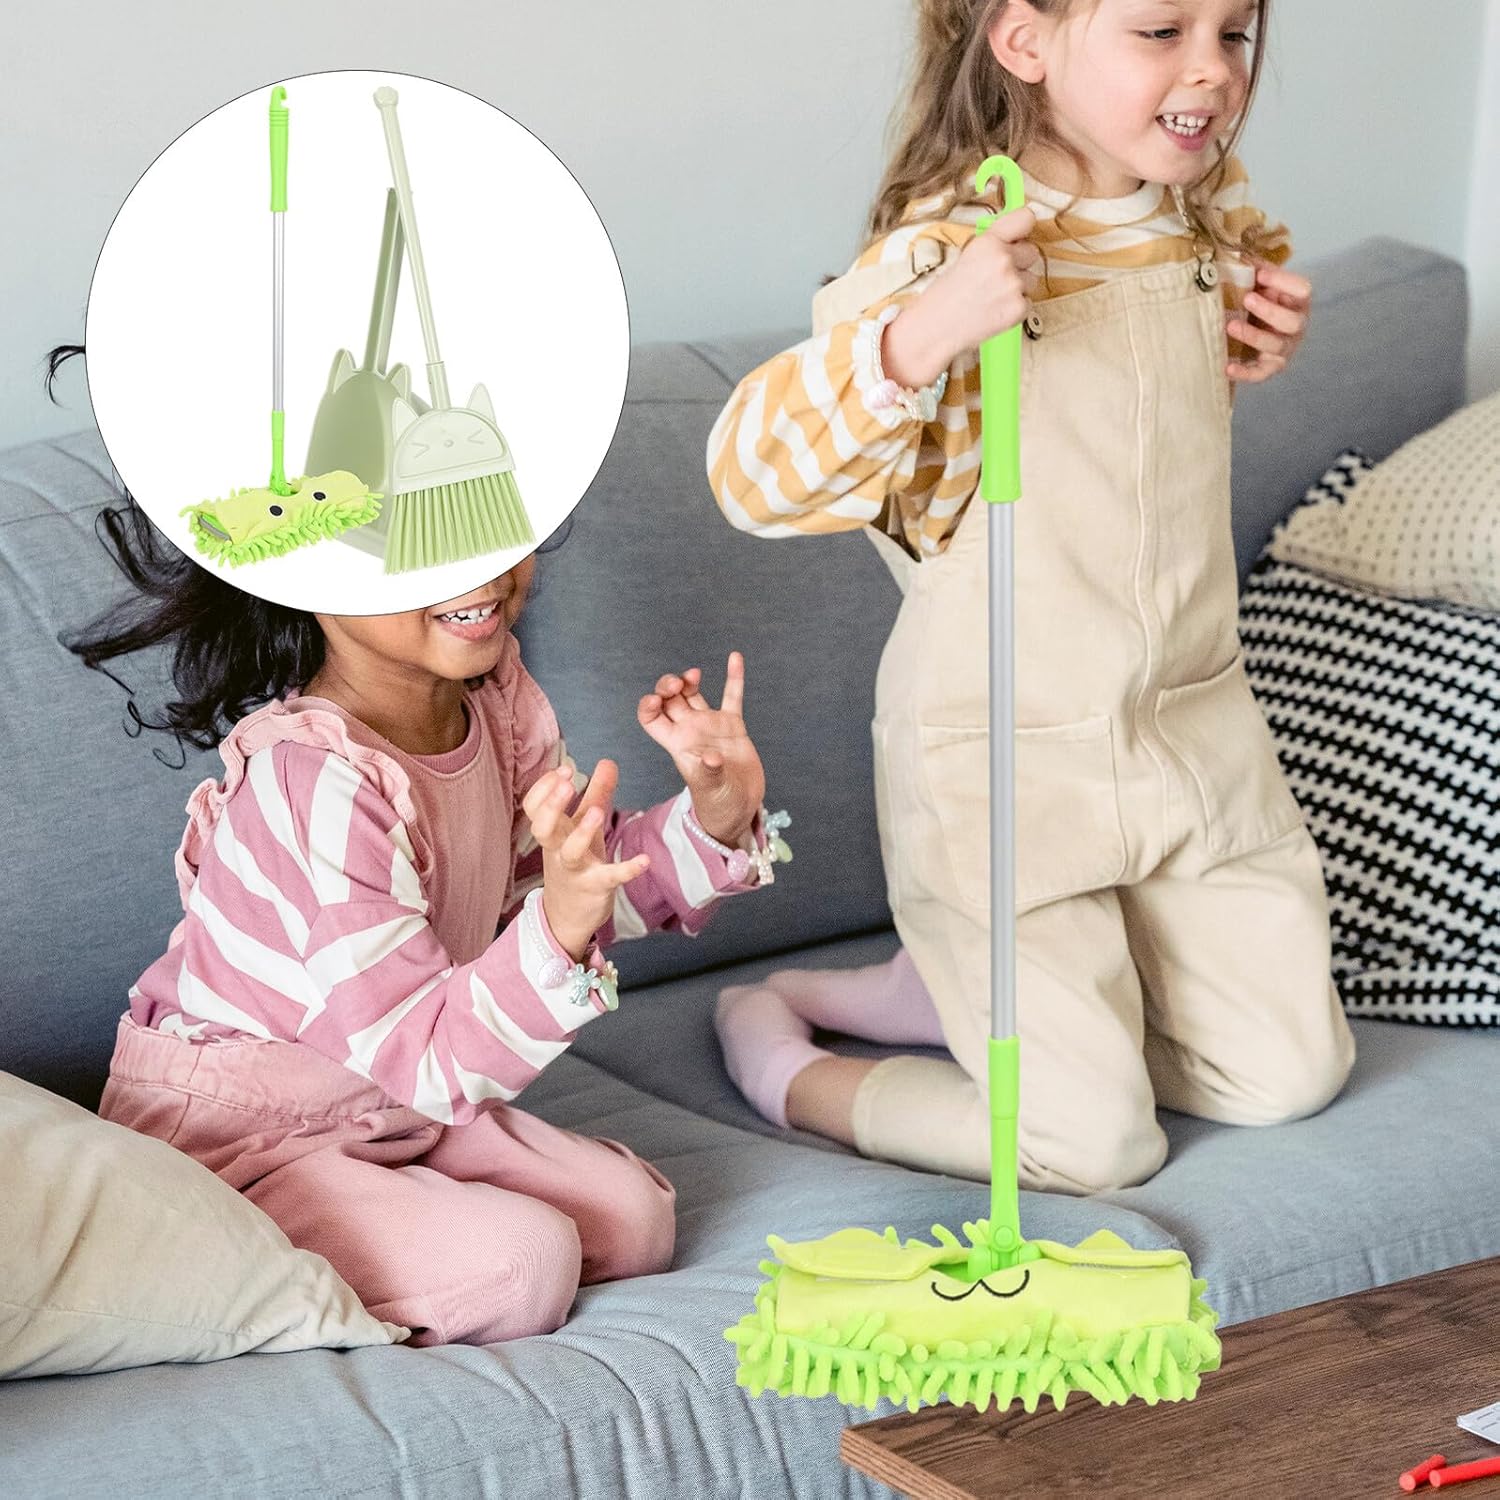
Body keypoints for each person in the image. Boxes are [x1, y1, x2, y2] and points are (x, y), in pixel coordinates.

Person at [706, 0, 1353, 1193]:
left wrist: (1249, 341)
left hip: (1191, 737)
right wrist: (915, 341)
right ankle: (788, 1063)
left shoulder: (1197, 224)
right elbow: (753, 480)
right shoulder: (947, 254)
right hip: (1003, 759)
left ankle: (953, 996)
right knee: (1091, 1147)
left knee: (1289, 1074)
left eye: (1234, 32)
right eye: (1161, 31)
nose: (1212, 69)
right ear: (1025, 42)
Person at [62, 468, 786, 1346]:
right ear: (308, 578)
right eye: (415, 544)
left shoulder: (496, 702)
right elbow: (439, 1043)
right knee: (525, 1266)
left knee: (634, 1221)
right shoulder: (314, 784)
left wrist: (715, 817)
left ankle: (399, 1203)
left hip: (395, 1099)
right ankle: (205, 1261)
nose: (477, 571)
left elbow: (569, 883)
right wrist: (558, 925)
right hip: (246, 1139)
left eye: (480, 521)